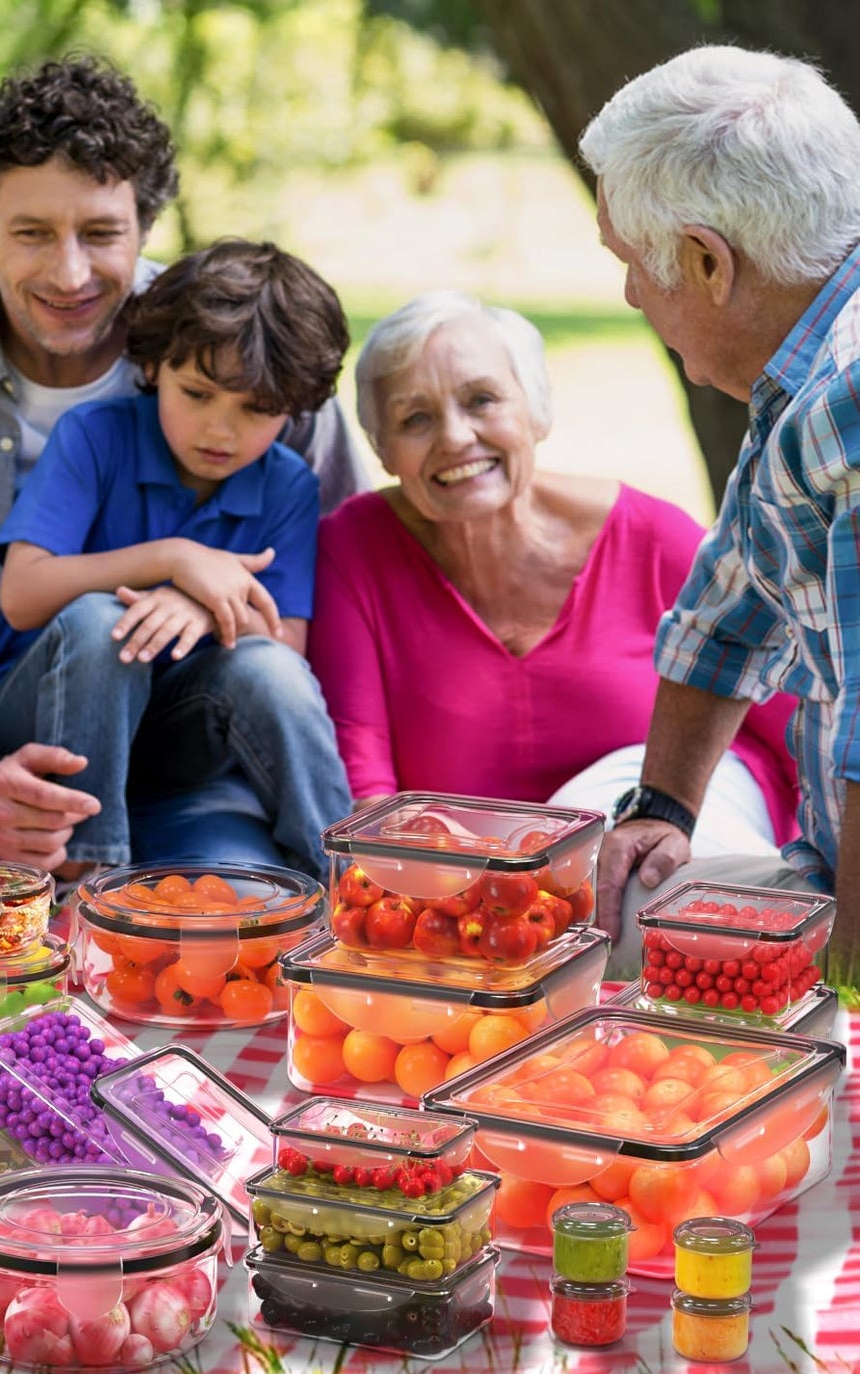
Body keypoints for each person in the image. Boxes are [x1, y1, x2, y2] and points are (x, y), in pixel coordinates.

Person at [0, 56, 369, 873]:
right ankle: (89, 880)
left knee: (238, 934)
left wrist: (198, 598)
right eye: (31, 233)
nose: (69, 275)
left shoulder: (256, 357)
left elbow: (307, 641)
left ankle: (350, 889)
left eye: (101, 233)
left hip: (186, 751)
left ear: (145, 227)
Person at [308, 290, 798, 859]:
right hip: (482, 887)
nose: (454, 437)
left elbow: (788, 712)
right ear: (381, 448)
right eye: (415, 419)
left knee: (634, 877)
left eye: (482, 400)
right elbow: (363, 771)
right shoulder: (354, 548)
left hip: (674, 826)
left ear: (536, 411)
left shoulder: (649, 536)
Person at [575, 46, 860, 979]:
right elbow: (727, 605)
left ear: (705, 261)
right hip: (824, 879)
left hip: (847, 925)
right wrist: (659, 805)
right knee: (581, 920)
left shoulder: (846, 406)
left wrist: (840, 1026)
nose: (627, 293)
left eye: (630, 263)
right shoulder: (800, 374)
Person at [0, 239, 353, 877]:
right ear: (153, 368)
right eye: (196, 394)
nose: (219, 431)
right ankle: (87, 875)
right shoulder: (95, 436)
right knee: (98, 620)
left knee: (267, 668)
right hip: (42, 721)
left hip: (173, 741)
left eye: (256, 410)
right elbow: (22, 593)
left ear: (294, 409)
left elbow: (288, 647)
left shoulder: (287, 484)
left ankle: (343, 877)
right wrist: (172, 559)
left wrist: (201, 605)